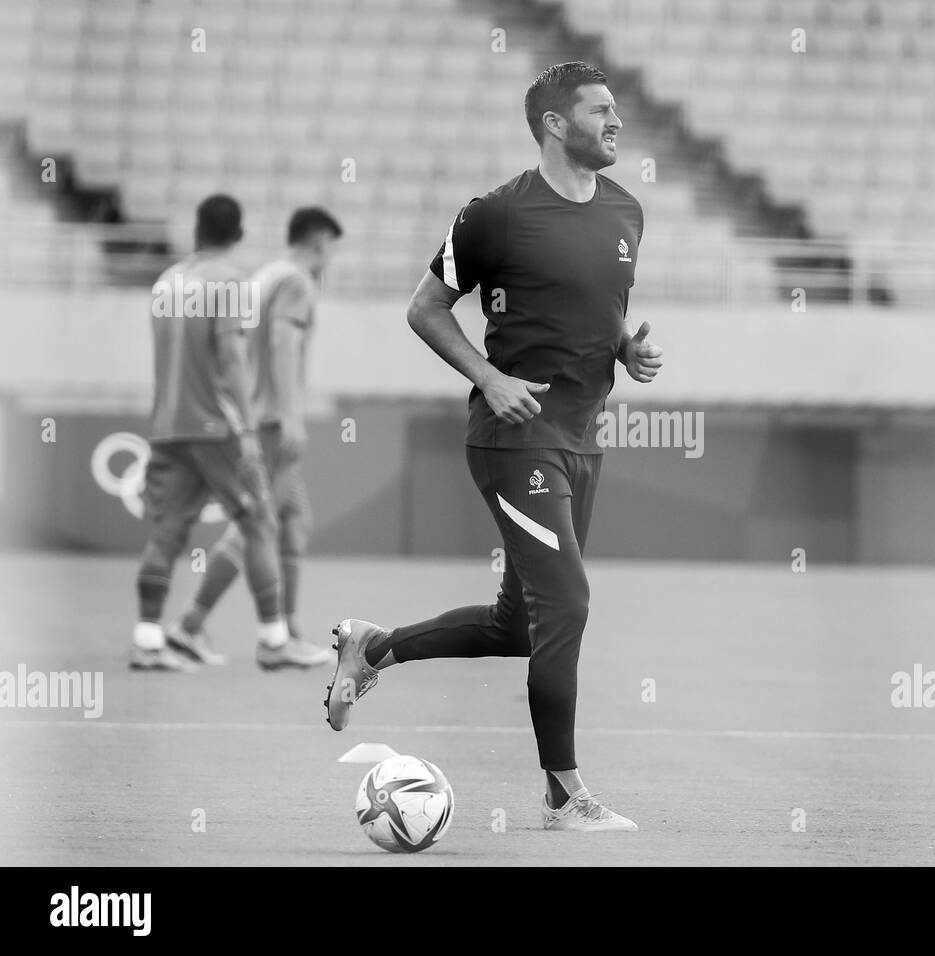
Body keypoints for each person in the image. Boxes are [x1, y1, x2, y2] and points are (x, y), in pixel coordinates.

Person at [324, 62, 664, 831]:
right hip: (514, 438)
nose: (616, 123)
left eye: (616, 111)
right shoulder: (496, 215)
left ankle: (373, 648)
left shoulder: (627, 211)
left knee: (523, 625)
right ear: (554, 123)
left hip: (582, 439)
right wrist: (490, 375)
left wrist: (624, 351)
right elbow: (426, 307)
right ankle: (563, 796)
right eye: (600, 110)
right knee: (568, 602)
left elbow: (600, 306)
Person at [169, 207, 343, 670]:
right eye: (331, 249)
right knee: (254, 526)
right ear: (320, 241)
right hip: (271, 422)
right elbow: (283, 345)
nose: (330, 259)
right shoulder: (297, 281)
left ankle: (287, 631)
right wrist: (290, 415)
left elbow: (237, 348)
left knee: (293, 522)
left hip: (255, 414)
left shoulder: (262, 277)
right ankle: (193, 626)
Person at [132, 195, 293, 671]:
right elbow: (231, 359)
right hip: (216, 426)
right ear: (237, 234)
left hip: (166, 425)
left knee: (166, 531)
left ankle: (147, 641)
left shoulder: (165, 283)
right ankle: (273, 639)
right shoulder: (229, 282)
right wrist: (245, 428)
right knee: (259, 519)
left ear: (197, 231)